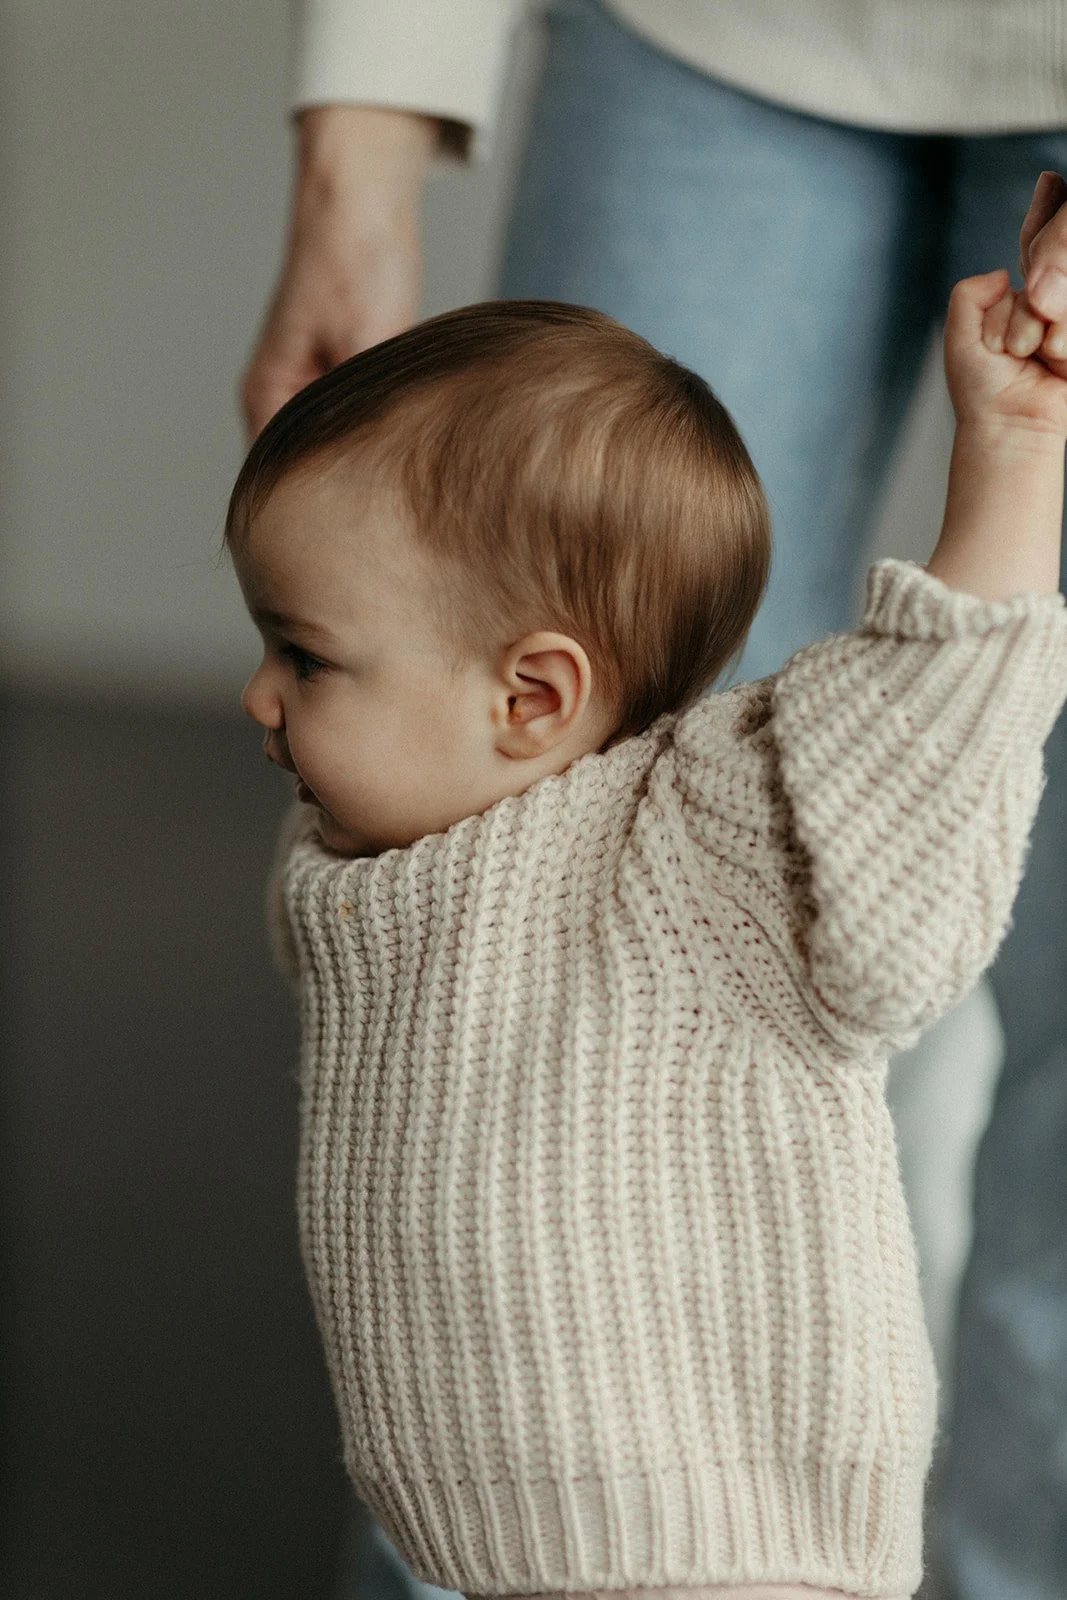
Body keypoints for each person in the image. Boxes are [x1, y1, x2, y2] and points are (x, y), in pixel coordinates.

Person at [239, 8, 1067, 1598]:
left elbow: (911, 760)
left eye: (297, 658)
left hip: (722, 1559)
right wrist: (361, 151)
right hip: (706, 32)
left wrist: (1020, 452)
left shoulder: (716, 840)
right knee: (471, 546)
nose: (255, 702)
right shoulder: (395, 850)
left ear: (536, 701)